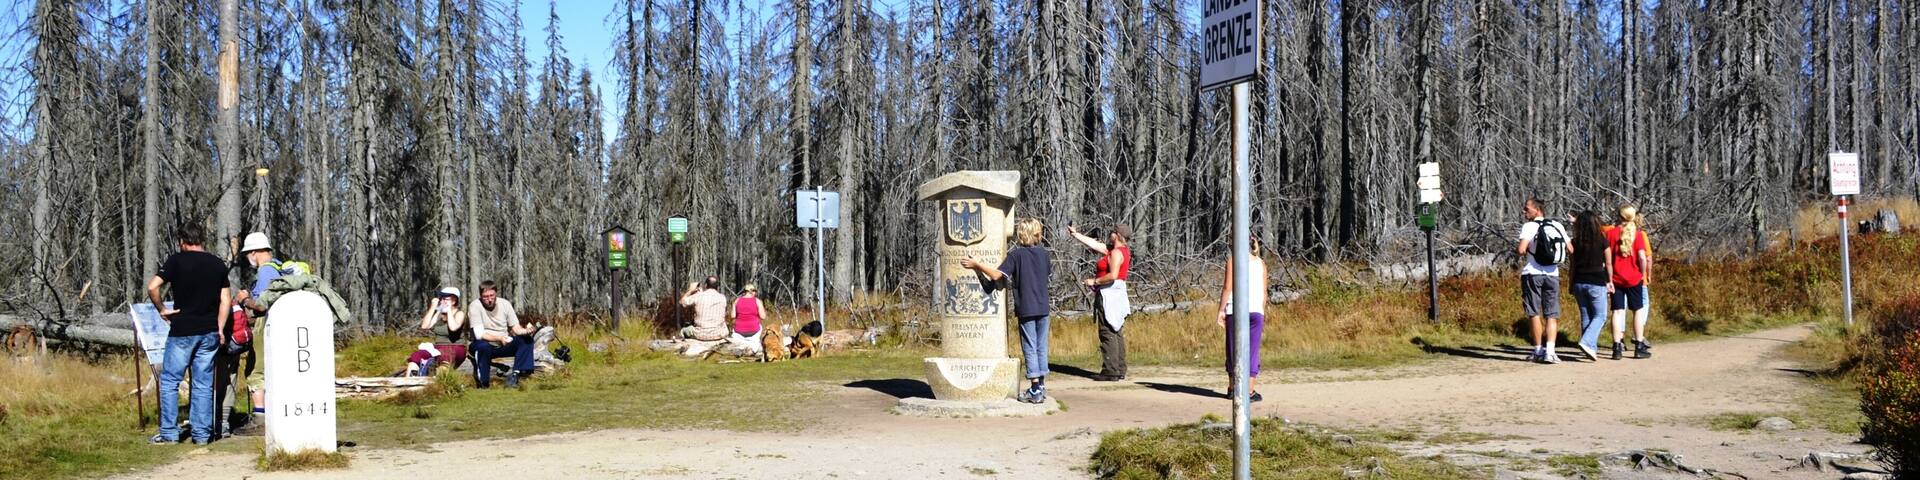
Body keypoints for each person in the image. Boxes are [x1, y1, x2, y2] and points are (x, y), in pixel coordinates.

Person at [144, 222, 232, 445]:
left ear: (182, 241)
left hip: (182, 330)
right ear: (201, 239)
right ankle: (202, 435)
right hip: (209, 331)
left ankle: (169, 433)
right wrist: (220, 327)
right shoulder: (217, 264)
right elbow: (226, 300)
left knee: (170, 381)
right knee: (203, 384)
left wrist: (162, 309)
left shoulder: (176, 261)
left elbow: (152, 286)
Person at [960, 218, 1053, 403]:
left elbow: (996, 275)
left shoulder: (1016, 255)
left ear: (1021, 234)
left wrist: (976, 265)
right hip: (1043, 306)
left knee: (1030, 347)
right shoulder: (1044, 254)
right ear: (1037, 233)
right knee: (1041, 346)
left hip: (1027, 307)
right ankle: (1041, 386)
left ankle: (1034, 390)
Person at [1069, 223, 1132, 381]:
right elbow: (1094, 244)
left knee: (1107, 330)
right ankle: (1119, 368)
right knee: (1116, 329)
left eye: (1113, 231)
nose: (1110, 233)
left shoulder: (1116, 253)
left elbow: (1113, 275)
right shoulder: (1115, 250)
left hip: (1110, 294)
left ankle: (1111, 370)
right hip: (1115, 294)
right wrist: (1075, 234)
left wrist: (1094, 281)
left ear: (1116, 235)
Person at [1515, 198, 1571, 364]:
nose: (1524, 212)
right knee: (1552, 314)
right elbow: (1570, 248)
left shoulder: (1529, 226)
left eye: (1527, 209)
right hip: (1552, 273)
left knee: (1533, 312)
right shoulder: (1557, 225)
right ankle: (1551, 351)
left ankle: (1538, 350)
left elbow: (1521, 249)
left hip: (1532, 273)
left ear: (1537, 210)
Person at [1216, 235, 1268, 402]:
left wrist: (1221, 310)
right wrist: (1261, 310)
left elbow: (1227, 287)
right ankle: (1249, 389)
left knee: (1233, 349)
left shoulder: (1233, 260)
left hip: (1236, 309)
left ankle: (1233, 387)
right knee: (1252, 352)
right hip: (1256, 311)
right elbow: (1264, 293)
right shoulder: (1261, 263)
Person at [468, 281, 536, 388]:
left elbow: (516, 328)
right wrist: (499, 338)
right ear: (481, 296)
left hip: (503, 342)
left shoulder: (505, 304)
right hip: (484, 342)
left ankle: (516, 374)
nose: (489, 299)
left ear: (496, 294)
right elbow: (479, 334)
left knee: (526, 340)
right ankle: (483, 383)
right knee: (482, 347)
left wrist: (526, 331)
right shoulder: (475, 306)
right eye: (485, 297)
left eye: (491, 296)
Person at [1607, 205, 1654, 359]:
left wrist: (1607, 278)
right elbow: (1642, 257)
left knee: (1617, 311)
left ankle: (1617, 347)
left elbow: (1606, 258)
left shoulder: (1611, 234)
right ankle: (1639, 345)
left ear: (1619, 216)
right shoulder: (1638, 234)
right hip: (1634, 278)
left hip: (1616, 278)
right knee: (1637, 310)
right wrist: (1642, 274)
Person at [1568, 211, 1614, 362]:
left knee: (1586, 316)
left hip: (1579, 282)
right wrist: (1610, 280)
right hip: (1596, 281)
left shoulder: (1575, 242)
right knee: (1600, 316)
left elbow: (1572, 266)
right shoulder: (1602, 241)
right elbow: (1608, 263)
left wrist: (1571, 283)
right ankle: (1587, 342)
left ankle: (1590, 348)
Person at [679, 276, 729, 342]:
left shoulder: (698, 296)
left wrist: (690, 291)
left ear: (705, 285)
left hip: (700, 334)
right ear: (717, 287)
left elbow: (682, 302)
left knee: (683, 330)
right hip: (719, 334)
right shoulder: (722, 298)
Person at [728, 284, 768, 352]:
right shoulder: (757, 301)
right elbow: (763, 317)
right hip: (754, 330)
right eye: (754, 291)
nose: (755, 293)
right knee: (760, 327)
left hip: (739, 330)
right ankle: (752, 348)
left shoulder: (737, 300)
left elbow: (733, 316)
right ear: (751, 291)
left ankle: (740, 347)